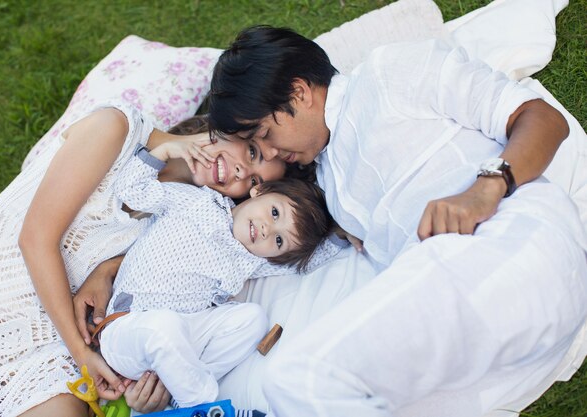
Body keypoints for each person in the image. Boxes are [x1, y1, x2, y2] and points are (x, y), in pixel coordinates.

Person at [207, 26, 587, 417]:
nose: (269, 152)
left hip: (509, 243)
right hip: (488, 343)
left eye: (265, 135)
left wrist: (487, 187)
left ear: (299, 93)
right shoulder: (326, 183)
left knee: (298, 379)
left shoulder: (389, 72)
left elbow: (541, 118)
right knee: (293, 401)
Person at [0, 102, 290, 417]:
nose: (242, 171)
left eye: (254, 181)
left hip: (54, 348)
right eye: (252, 152)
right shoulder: (116, 129)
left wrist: (154, 378)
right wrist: (81, 353)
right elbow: (34, 239)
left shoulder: (200, 217)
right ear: (231, 125)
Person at [96, 140, 332, 409]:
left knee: (252, 319)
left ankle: (178, 393)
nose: (268, 230)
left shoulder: (252, 258)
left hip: (182, 336)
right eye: (274, 213)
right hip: (129, 327)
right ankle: (200, 405)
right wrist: (163, 151)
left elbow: (308, 261)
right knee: (163, 327)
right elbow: (133, 191)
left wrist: (341, 233)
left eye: (279, 241)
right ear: (260, 190)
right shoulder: (196, 201)